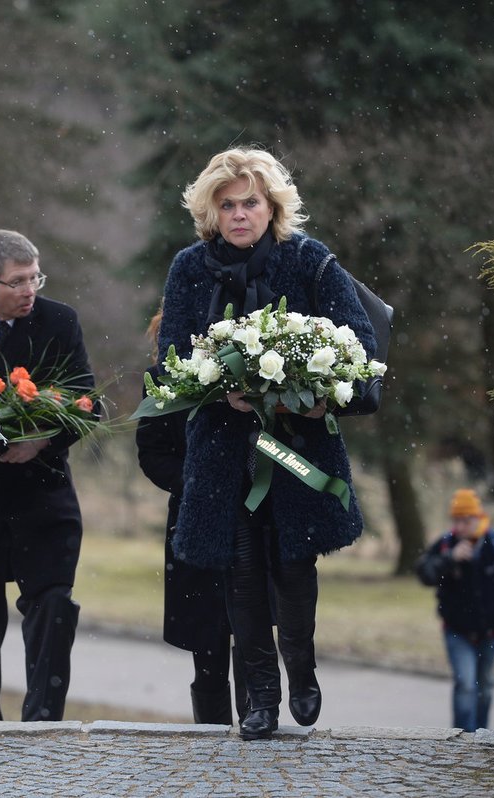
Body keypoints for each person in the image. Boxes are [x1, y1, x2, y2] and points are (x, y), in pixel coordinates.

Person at [156, 146, 377, 740]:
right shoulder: (189, 268)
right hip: (224, 450)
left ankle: (300, 668)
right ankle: (260, 696)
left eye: (250, 202)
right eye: (226, 205)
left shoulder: (310, 261)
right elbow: (169, 363)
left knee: (293, 565)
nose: (239, 214)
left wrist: (317, 390)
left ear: (272, 205)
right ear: (210, 211)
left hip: (298, 448)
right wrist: (216, 391)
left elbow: (358, 348)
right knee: (242, 572)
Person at [0, 229, 96, 722]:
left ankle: (43, 723)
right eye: (18, 281)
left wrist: (42, 439)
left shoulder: (58, 321)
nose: (31, 290)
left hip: (42, 493)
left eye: (36, 277)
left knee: (53, 604)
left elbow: (89, 402)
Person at [135, 308, 246, 725]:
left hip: (248, 514)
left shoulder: (243, 374)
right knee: (208, 640)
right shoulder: (162, 381)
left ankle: (256, 720)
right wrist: (201, 485)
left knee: (251, 630)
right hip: (193, 518)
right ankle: (212, 734)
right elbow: (152, 454)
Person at [415, 488, 494, 732]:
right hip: (457, 631)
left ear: (479, 517)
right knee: (466, 683)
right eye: (456, 519)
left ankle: (481, 735)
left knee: (485, 686)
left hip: (492, 632)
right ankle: (462, 740)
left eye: (466, 519)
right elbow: (423, 573)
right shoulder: (447, 544)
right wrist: (450, 559)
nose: (460, 525)